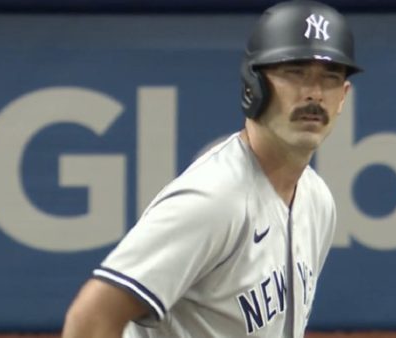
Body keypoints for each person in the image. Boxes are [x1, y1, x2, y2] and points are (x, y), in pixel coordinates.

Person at [62, 0, 362, 337]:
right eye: (295, 73)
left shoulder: (317, 201)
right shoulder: (215, 198)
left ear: (343, 96)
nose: (314, 93)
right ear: (255, 83)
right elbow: (91, 317)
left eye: (330, 77)